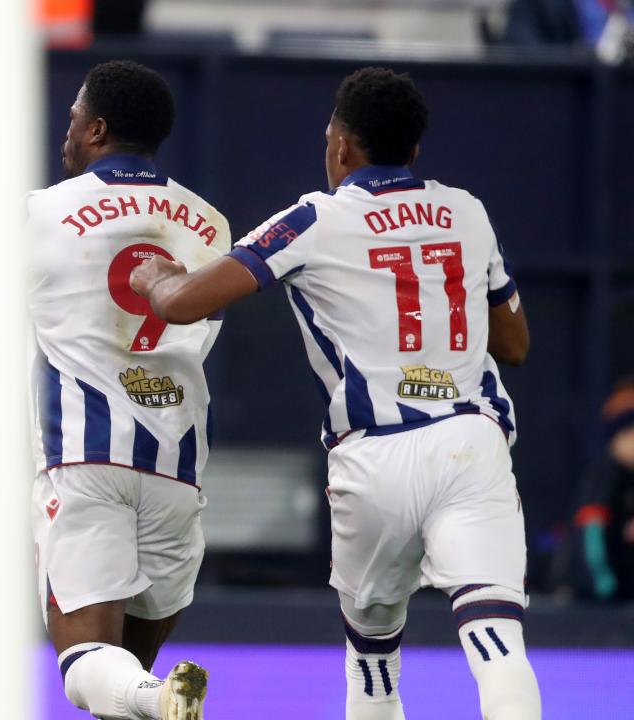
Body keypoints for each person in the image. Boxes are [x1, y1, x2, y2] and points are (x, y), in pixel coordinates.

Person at [131, 67, 541, 720]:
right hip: (469, 445)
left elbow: (182, 305)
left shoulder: (314, 220)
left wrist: (155, 274)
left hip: (374, 456)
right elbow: (514, 345)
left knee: (374, 661)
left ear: (342, 146)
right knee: (496, 641)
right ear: (412, 149)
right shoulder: (468, 212)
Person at [28, 60, 230, 720]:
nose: (68, 129)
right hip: (176, 469)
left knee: (87, 665)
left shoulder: (41, 214)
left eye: (74, 117)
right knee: (123, 684)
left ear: (98, 129)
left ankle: (156, 692)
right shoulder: (210, 226)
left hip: (87, 459)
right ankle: (153, 693)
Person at [574, 378, 634, 600]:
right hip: (602, 594)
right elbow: (591, 534)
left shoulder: (628, 476)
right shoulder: (604, 475)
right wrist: (603, 580)